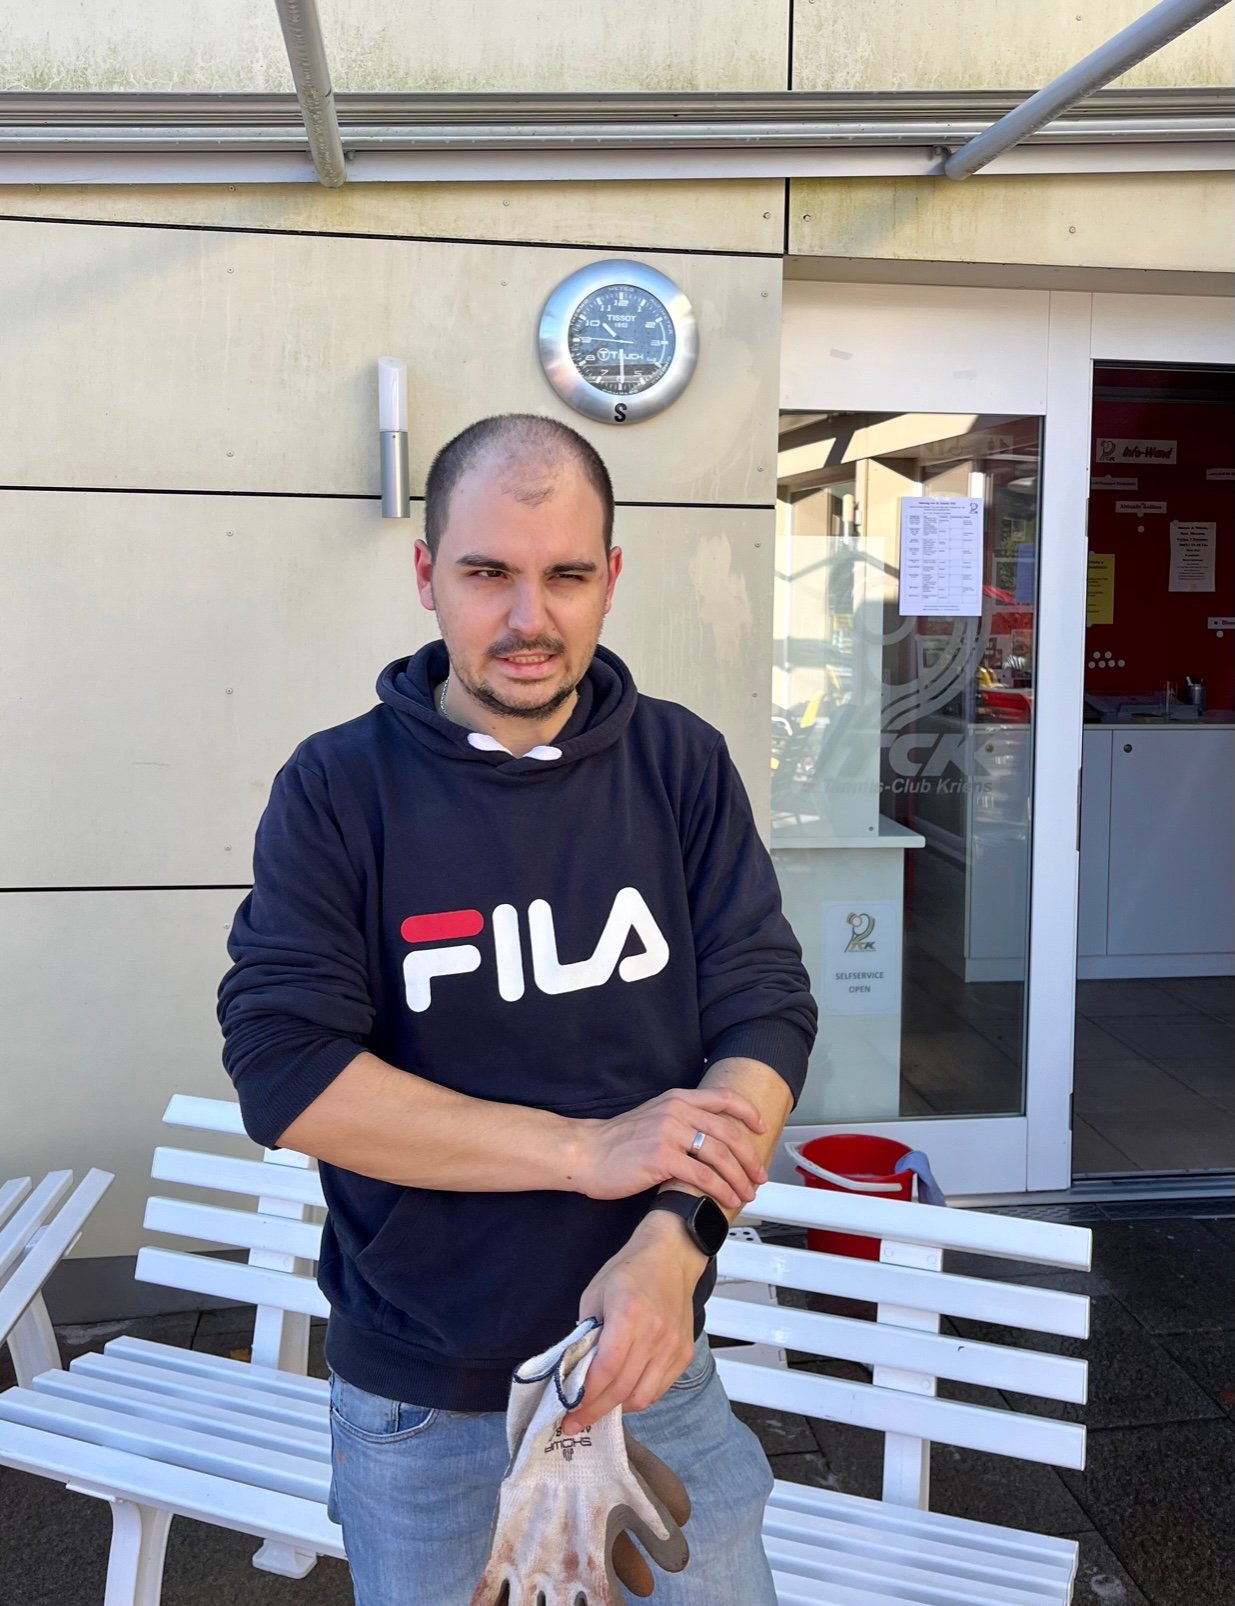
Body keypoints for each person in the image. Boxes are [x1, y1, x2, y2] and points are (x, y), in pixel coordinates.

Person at [216, 413, 818, 1604]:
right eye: (488, 572)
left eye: (566, 575)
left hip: (651, 1362)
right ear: (427, 574)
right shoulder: (338, 789)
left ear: (611, 578)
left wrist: (677, 1236)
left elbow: (762, 1009)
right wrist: (587, 1151)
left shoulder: (679, 765)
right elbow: (286, 1071)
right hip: (423, 1401)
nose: (528, 617)